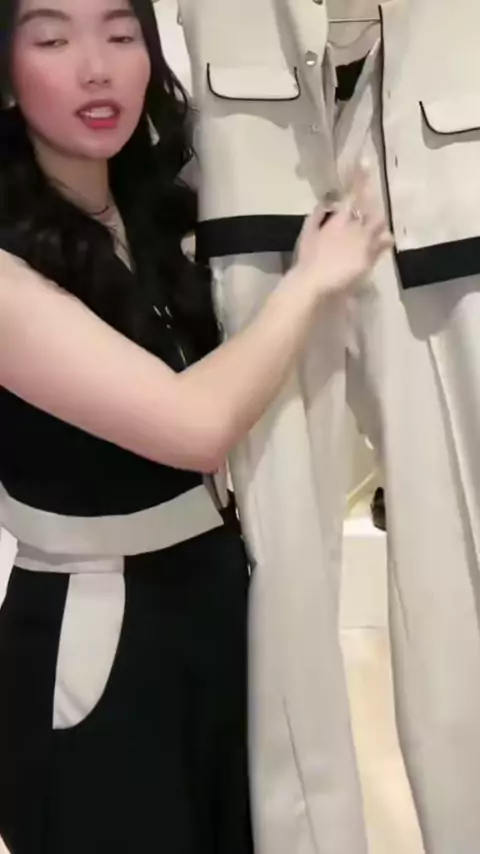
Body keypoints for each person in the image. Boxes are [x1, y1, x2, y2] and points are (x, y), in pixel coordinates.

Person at [0, 0, 391, 851]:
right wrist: (310, 282)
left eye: (120, 33)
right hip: (96, 633)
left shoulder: (159, 208)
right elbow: (195, 427)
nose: (96, 67)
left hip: (217, 596)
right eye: (53, 38)